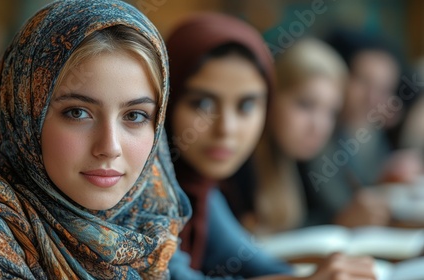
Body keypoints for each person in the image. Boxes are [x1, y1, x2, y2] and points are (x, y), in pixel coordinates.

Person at [0, 1, 190, 279]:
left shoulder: (149, 213)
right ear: (24, 114)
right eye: (77, 113)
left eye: (135, 116)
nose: (109, 147)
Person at [166, 13, 375, 280]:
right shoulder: (145, 186)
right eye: (203, 104)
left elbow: (259, 265)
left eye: (246, 106)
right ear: (166, 99)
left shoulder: (203, 189)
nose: (226, 129)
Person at [225, 38, 348, 235]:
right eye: (306, 104)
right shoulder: (236, 166)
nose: (319, 126)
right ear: (269, 98)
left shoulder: (307, 160)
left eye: (331, 112)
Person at [302, 30, 422, 227]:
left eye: (383, 89)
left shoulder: (374, 132)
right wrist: (339, 220)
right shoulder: (312, 134)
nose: (372, 98)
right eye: (363, 82)